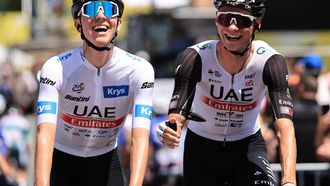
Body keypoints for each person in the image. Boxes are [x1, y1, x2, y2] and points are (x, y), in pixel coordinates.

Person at [157, 0, 297, 186]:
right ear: (216, 21)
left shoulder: (269, 61)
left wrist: (289, 181)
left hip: (248, 145)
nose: (232, 27)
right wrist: (170, 129)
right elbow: (177, 115)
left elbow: (285, 127)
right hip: (202, 149)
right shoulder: (196, 57)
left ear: (257, 23)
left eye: (242, 21)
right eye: (224, 18)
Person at [34, 0, 155, 186]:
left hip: (105, 162)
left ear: (119, 23)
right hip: (61, 160)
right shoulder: (56, 67)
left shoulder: (139, 70)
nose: (100, 15)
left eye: (108, 9)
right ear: (78, 24)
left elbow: (139, 138)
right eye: (90, 9)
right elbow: (45, 133)